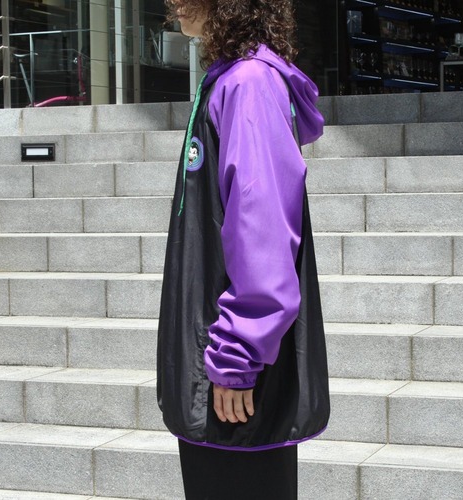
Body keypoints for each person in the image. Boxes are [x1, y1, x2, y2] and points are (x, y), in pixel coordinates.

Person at [156, 1, 330, 498]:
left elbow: (263, 231)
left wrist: (237, 357)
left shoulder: (248, 84)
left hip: (235, 371)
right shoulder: (232, 79)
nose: (172, 3)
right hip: (223, 358)